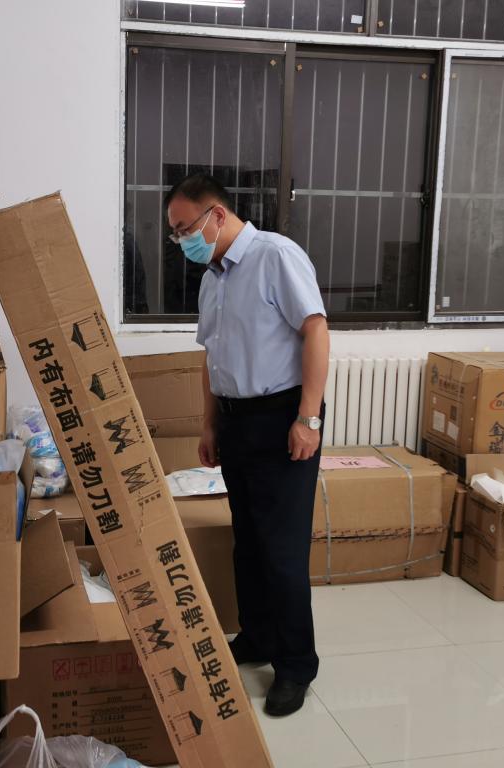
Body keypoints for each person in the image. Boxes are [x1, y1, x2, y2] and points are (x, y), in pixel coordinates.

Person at [165, 173, 329, 717]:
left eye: (184, 228)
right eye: (174, 233)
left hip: (282, 417)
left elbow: (316, 330)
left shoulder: (275, 256)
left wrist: (308, 418)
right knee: (249, 541)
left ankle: (296, 664)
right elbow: (211, 357)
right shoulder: (213, 277)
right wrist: (210, 425)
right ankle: (257, 635)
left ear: (216, 215)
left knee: (282, 549)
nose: (181, 240)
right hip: (235, 421)